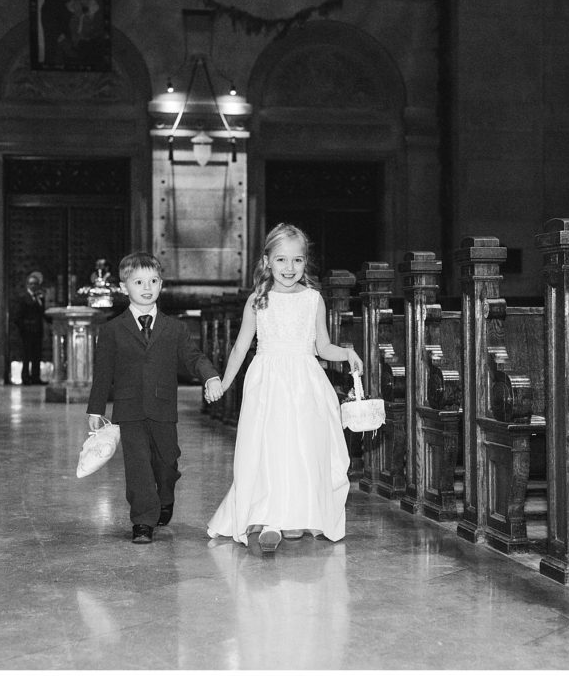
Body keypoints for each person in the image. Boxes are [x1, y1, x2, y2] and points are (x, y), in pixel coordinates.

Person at [206, 223, 363, 553]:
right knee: (269, 448)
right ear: (267, 261)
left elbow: (322, 347)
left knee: (302, 448)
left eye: (297, 260)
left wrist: (347, 354)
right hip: (268, 383)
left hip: (305, 381)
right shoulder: (258, 301)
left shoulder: (313, 299)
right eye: (281, 260)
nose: (289, 268)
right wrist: (224, 382)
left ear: (306, 262)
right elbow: (240, 348)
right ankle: (270, 519)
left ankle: (296, 514)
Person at [86, 252, 224, 544]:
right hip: (129, 408)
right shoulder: (112, 330)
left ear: (161, 284)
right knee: (138, 465)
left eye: (153, 281)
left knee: (166, 463)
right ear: (124, 287)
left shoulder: (174, 328)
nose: (146, 287)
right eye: (138, 282)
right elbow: (103, 373)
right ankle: (143, 521)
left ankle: (166, 496)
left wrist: (210, 376)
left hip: (163, 408)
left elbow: (193, 357)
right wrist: (95, 410)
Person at [12, 271, 48, 386]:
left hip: (37, 331)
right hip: (27, 332)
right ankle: (26, 377)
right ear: (27, 285)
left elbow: (42, 313)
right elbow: (17, 316)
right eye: (31, 284)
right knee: (27, 355)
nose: (33, 286)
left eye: (35, 284)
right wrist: (24, 328)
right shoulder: (23, 298)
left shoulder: (39, 298)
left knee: (37, 355)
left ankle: (36, 377)